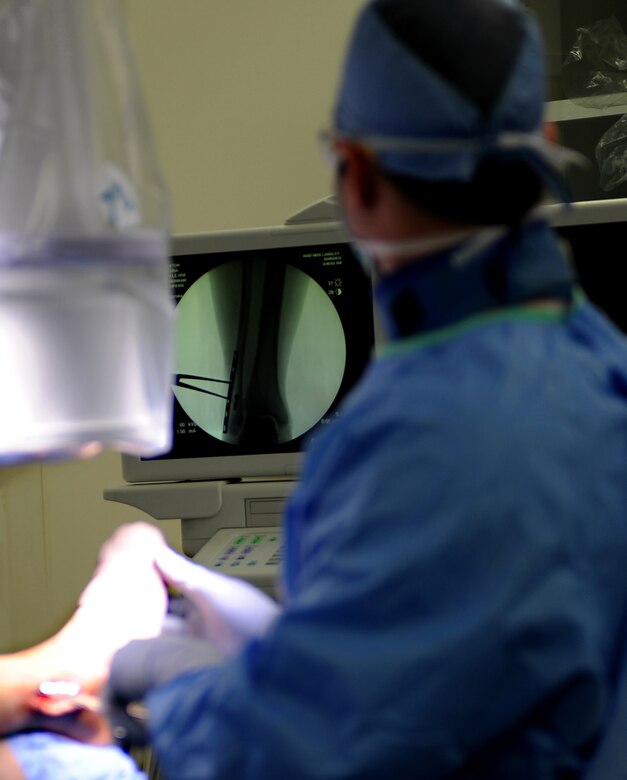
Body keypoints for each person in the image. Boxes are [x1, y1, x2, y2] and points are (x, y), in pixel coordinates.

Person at [4, 0, 627, 777]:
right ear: (545, 147)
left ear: (356, 174)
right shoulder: (595, 362)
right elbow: (430, 649)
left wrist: (148, 679)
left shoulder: (435, 433)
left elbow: (316, 739)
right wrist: (261, 637)